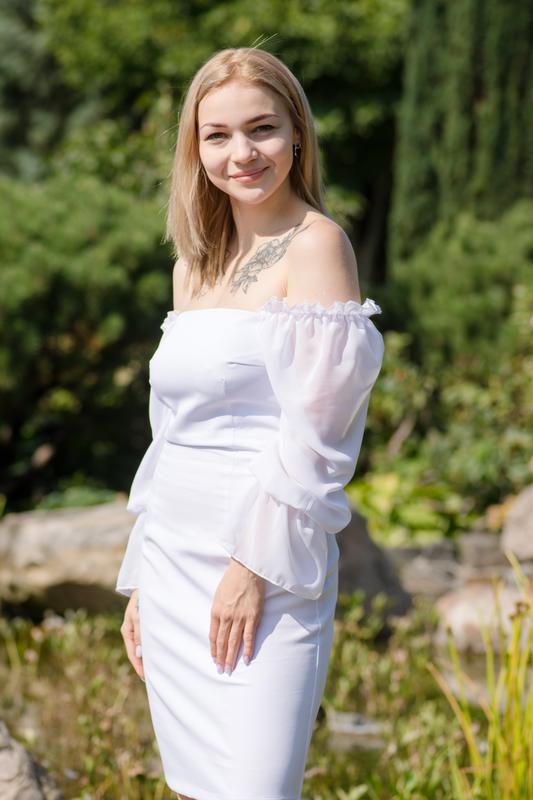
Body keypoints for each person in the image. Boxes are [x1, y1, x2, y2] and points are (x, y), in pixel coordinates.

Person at [115, 46, 384, 800]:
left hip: (269, 565)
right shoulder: (192, 264)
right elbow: (169, 437)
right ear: (194, 151)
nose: (242, 153)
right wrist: (141, 581)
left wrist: (251, 568)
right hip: (172, 563)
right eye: (218, 135)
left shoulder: (318, 245)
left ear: (296, 133)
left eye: (261, 128)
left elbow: (319, 437)